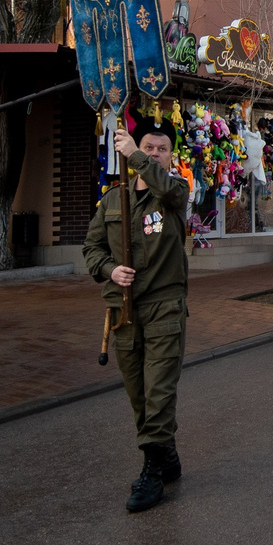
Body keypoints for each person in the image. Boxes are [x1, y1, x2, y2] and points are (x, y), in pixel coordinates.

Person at [84, 123, 192, 511]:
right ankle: (166, 451)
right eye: (150, 146)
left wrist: (136, 155)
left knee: (159, 388)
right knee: (138, 393)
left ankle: (151, 469)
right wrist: (110, 270)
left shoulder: (174, 194)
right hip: (124, 311)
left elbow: (168, 186)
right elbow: (91, 248)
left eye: (163, 149)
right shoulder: (113, 201)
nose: (157, 153)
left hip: (164, 306)